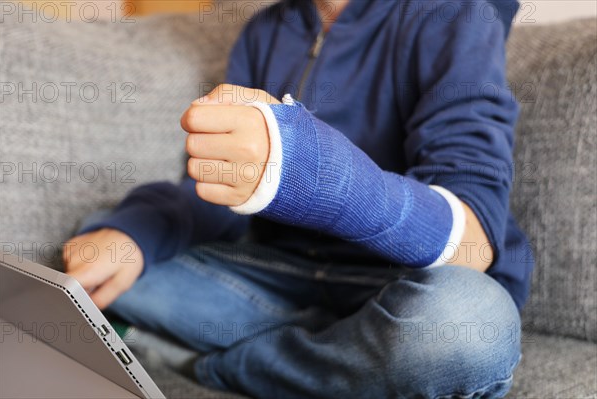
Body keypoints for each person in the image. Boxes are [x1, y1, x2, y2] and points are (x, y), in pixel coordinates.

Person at [64, 0, 534, 397]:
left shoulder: (455, 15)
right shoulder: (265, 31)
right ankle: (338, 356)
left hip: (400, 286)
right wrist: (136, 233)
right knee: (112, 251)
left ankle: (226, 367)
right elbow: (217, 196)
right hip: (278, 278)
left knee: (468, 325)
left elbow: (473, 236)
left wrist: (314, 172)